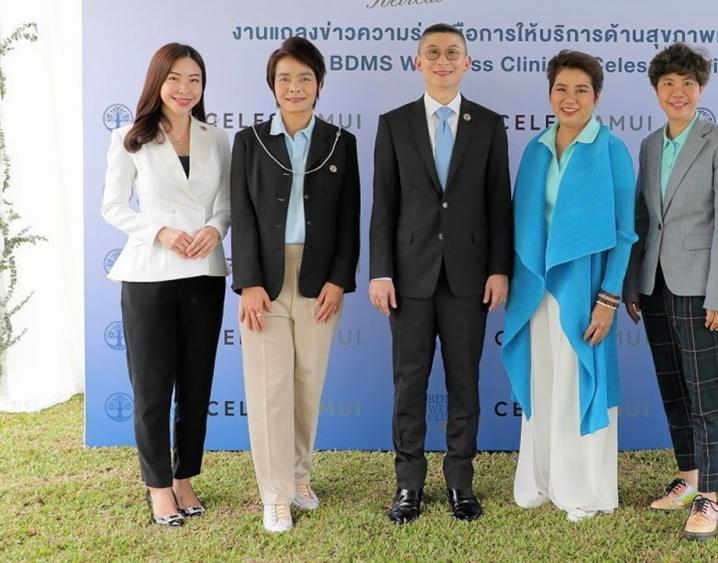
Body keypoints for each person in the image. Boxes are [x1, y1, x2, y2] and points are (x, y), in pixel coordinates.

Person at [369, 23, 513, 524]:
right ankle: (408, 484)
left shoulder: (489, 124)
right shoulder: (394, 123)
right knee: (409, 384)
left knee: (464, 385)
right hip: (408, 280)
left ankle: (460, 484)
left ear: (467, 62)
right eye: (432, 52)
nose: (442, 60)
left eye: (453, 52)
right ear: (418, 62)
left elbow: (499, 203)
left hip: (469, 279)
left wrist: (499, 269)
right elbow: (383, 204)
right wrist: (381, 272)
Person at [230, 36, 360, 533]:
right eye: (285, 78)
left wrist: (338, 280)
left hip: (319, 279)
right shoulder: (250, 141)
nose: (295, 87)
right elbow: (242, 215)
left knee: (307, 384)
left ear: (319, 84)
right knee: (270, 389)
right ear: (272, 85)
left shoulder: (340, 142)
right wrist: (248, 282)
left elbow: (350, 218)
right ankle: (275, 494)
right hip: (263, 281)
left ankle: (299, 476)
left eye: (305, 78)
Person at [501, 50, 637, 522]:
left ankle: (582, 487)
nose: (570, 98)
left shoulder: (611, 149)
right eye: (561, 89)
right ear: (549, 94)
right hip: (535, 290)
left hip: (586, 290)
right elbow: (523, 224)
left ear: (596, 97)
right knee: (543, 380)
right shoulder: (536, 150)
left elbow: (624, 233)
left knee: (579, 383)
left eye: (581, 90)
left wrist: (608, 299)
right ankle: (541, 479)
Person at [101, 43, 230, 527]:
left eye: (194, 79)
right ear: (158, 81)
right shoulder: (130, 137)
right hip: (149, 276)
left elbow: (227, 202)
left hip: (204, 273)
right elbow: (113, 207)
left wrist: (215, 229)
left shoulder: (216, 138)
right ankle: (158, 487)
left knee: (196, 386)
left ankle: (184, 478)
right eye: (175, 78)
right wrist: (159, 232)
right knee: (153, 389)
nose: (184, 88)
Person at [623, 43, 718, 541]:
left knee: (705, 394)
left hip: (701, 289)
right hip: (654, 284)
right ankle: (688, 476)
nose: (678, 92)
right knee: (673, 387)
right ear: (656, 89)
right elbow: (642, 218)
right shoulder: (650, 144)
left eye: (688, 84)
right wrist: (633, 283)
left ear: (701, 89)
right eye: (669, 83)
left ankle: (709, 495)